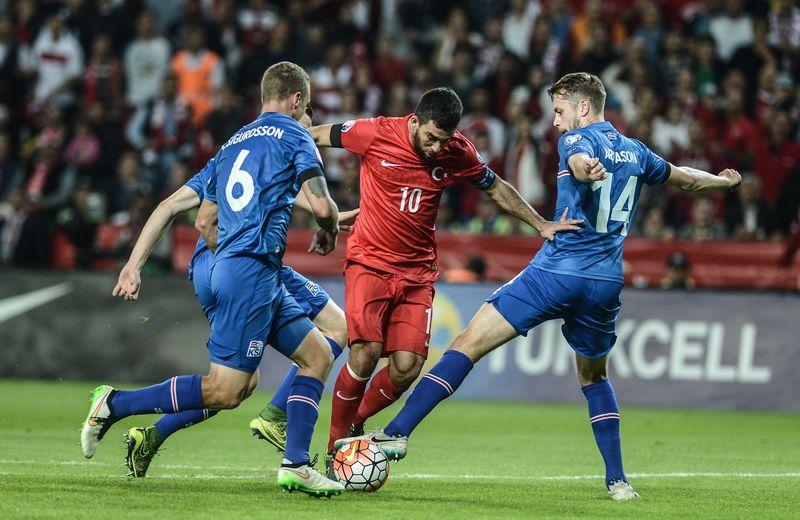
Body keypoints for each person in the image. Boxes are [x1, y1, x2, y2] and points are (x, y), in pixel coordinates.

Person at [339, 73, 741, 501]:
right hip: (605, 282)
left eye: (560, 111)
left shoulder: (576, 141)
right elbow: (686, 179)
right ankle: (618, 481)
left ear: (583, 108)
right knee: (593, 376)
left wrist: (586, 170)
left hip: (559, 272)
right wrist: (723, 181)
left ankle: (399, 432)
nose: (556, 122)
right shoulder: (636, 151)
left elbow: (582, 160)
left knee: (468, 343)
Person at [81, 61, 345, 497]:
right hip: (249, 270)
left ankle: (296, 463)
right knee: (227, 390)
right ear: (298, 100)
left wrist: (133, 264)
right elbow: (321, 207)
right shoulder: (297, 135)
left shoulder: (232, 145)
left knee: (317, 355)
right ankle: (116, 403)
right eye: (308, 106)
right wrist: (330, 228)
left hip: (243, 267)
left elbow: (170, 206)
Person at [308, 87, 582, 475]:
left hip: (418, 273)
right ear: (415, 121)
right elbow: (315, 136)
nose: (437, 148)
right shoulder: (373, 133)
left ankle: (356, 423)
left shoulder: (458, 151)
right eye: (432, 138)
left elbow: (496, 187)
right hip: (370, 263)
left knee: (407, 368)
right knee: (365, 354)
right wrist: (294, 140)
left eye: (445, 140)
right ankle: (336, 448)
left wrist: (540, 223)